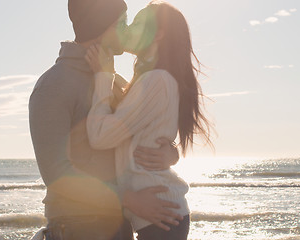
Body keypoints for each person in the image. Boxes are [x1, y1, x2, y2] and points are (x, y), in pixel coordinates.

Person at [28, 0, 185, 239]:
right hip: (78, 227)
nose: (127, 29)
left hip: (120, 225)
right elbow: (57, 174)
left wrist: (170, 152)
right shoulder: (53, 86)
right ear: (101, 26)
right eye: (122, 22)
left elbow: (139, 132)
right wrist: (129, 199)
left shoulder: (114, 81)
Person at [84, 1, 213, 240]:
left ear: (158, 34)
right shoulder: (152, 79)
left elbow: (100, 136)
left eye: (137, 23)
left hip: (161, 215)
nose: (129, 28)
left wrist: (103, 75)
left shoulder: (156, 81)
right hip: (160, 214)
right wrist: (172, 151)